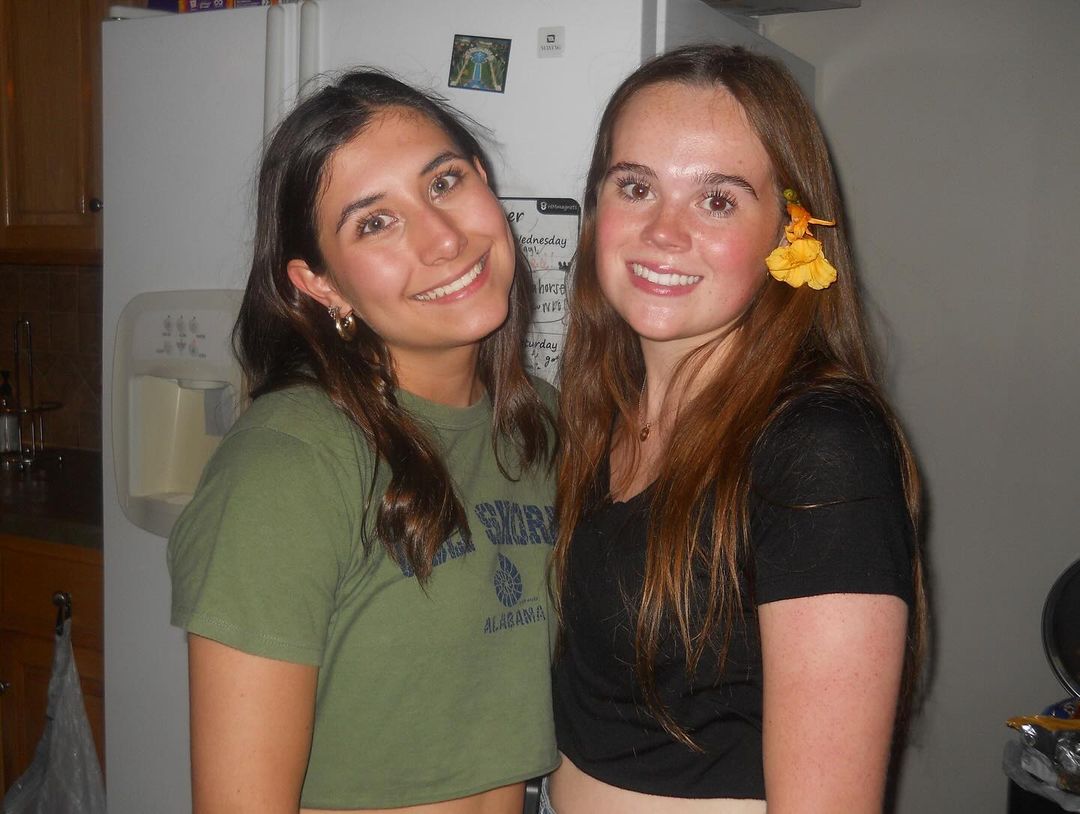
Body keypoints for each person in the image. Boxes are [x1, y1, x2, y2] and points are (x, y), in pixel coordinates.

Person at [548, 45, 927, 814]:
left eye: (717, 200)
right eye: (636, 186)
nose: (663, 231)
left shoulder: (819, 445)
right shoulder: (604, 410)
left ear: (789, 233)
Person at [167, 70, 558, 814]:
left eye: (444, 182)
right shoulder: (288, 464)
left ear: (483, 179)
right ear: (322, 286)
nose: (444, 239)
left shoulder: (544, 426)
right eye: (375, 222)